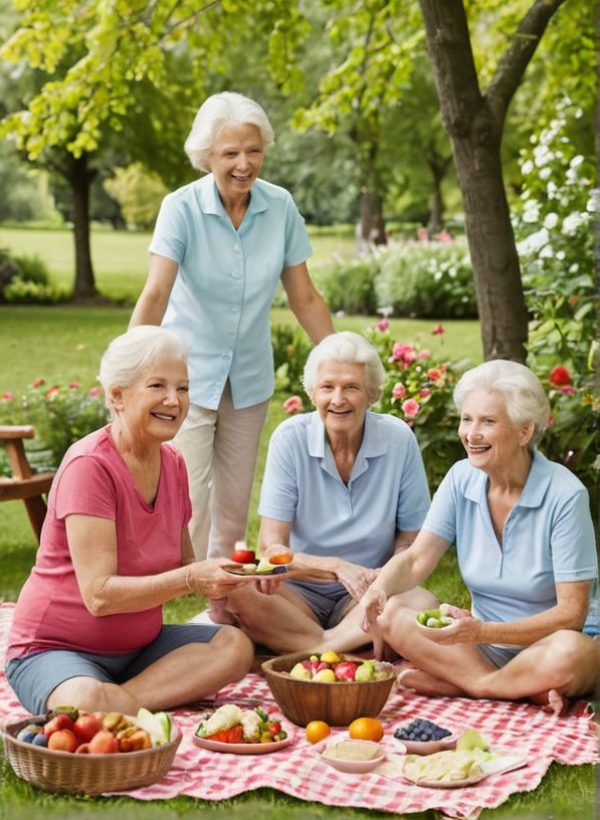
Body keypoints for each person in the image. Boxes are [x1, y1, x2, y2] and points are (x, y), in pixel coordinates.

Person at [5, 326, 274, 717]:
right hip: (56, 648)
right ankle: (112, 702)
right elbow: (99, 595)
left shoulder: (174, 464)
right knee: (85, 700)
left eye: (183, 388)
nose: (174, 400)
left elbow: (187, 567)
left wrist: (238, 577)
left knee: (234, 646)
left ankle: (120, 703)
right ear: (116, 395)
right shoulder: (90, 466)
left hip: (138, 652)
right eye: (158, 386)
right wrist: (192, 578)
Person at [129, 91, 334, 571]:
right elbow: (156, 292)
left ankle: (219, 604)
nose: (244, 164)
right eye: (230, 153)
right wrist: (130, 368)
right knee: (190, 494)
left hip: (249, 377)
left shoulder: (279, 207)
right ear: (207, 156)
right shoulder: (181, 208)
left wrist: (337, 360)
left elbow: (304, 296)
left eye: (253, 150)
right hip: (188, 378)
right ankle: (180, 588)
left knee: (234, 502)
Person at [360, 359, 599, 715]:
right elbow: (416, 558)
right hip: (482, 648)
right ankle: (505, 687)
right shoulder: (461, 479)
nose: (471, 433)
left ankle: (469, 686)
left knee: (570, 651)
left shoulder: (565, 496)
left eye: (488, 421)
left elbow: (571, 616)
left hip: (548, 645)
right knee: (395, 611)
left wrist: (481, 632)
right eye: (466, 419)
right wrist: (379, 588)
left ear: (524, 431)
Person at [223, 332, 436, 653]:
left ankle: (311, 648)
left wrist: (382, 583)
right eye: (327, 387)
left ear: (373, 394)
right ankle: (346, 645)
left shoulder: (398, 440)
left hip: (368, 589)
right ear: (312, 393)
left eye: (351, 387)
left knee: (419, 601)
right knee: (239, 592)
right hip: (298, 592)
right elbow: (271, 545)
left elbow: (410, 543)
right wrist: (335, 566)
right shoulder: (289, 439)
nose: (338, 399)